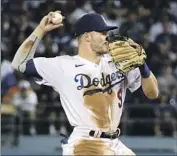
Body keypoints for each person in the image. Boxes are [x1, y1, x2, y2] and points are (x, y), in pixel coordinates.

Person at [11, 11, 159, 155]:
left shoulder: (118, 61)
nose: (107, 37)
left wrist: (143, 66)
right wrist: (41, 29)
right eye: (102, 33)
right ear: (87, 36)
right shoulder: (64, 66)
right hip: (86, 143)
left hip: (114, 143)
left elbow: (153, 94)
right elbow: (20, 64)